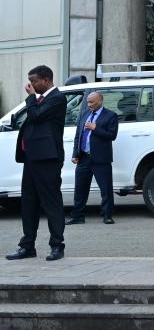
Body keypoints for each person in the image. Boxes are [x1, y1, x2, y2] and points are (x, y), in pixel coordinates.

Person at [6, 65, 69, 262]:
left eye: (34, 81)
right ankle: (27, 246)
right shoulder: (39, 101)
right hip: (32, 159)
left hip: (48, 159)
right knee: (28, 203)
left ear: (46, 80)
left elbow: (37, 115)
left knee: (51, 203)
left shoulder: (57, 98)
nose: (31, 85)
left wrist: (31, 98)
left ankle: (57, 245)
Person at [68, 91, 118, 225]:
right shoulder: (85, 114)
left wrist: (95, 128)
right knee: (80, 188)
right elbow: (78, 135)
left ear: (100, 101)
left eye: (91, 102)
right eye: (88, 102)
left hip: (101, 159)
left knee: (106, 189)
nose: (88, 104)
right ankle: (78, 216)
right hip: (84, 157)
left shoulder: (111, 115)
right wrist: (75, 154)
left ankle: (107, 215)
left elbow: (112, 135)